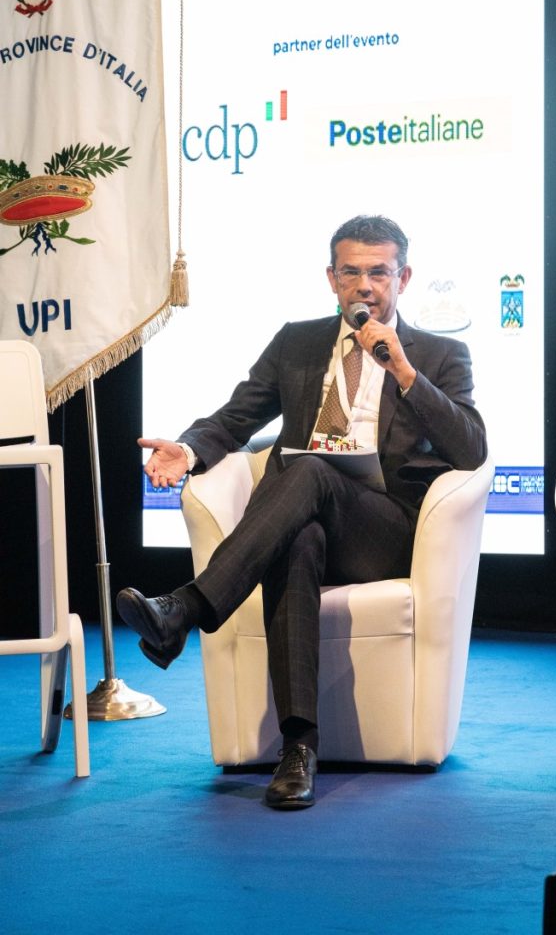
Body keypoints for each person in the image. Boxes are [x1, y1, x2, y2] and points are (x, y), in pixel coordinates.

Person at [117, 214, 487, 809]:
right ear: (332, 279)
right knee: (299, 539)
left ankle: (186, 607)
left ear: (403, 278)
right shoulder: (298, 342)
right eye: (351, 272)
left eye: (379, 272)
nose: (364, 285)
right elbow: (236, 417)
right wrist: (186, 450)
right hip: (301, 515)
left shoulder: (440, 354)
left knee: (308, 467)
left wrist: (402, 370)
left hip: (381, 529)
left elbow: (471, 448)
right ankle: (298, 750)